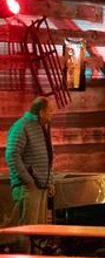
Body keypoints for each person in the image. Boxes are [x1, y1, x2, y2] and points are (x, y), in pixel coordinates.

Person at [5, 97, 54, 242]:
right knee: (26, 232)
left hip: (40, 186)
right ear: (41, 112)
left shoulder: (41, 127)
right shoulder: (22, 126)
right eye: (50, 111)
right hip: (28, 187)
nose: (52, 114)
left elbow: (48, 157)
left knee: (38, 233)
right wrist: (28, 180)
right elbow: (12, 154)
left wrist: (50, 181)